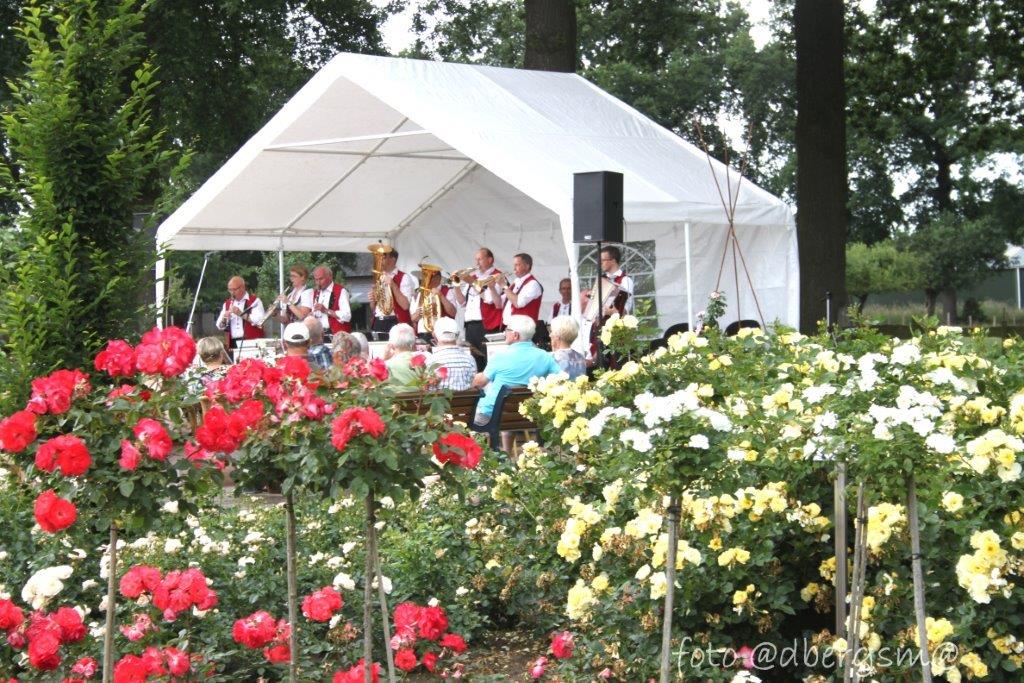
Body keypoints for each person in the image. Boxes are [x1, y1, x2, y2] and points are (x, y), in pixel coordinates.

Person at [472, 315, 560, 426]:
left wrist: (476, 376)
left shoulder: (500, 356)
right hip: (530, 416)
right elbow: (560, 379)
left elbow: (479, 383)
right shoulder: (545, 356)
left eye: (507, 329)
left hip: (493, 415)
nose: (505, 332)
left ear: (515, 335)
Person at [453, 247, 505, 372]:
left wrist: (472, 282)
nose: (477, 263)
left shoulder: (497, 276)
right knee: (474, 361)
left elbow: (489, 299)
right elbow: (461, 302)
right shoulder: (474, 276)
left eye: (480, 259)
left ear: (490, 260)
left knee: (488, 361)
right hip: (470, 325)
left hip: (487, 325)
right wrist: (456, 285)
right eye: (476, 260)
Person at [367, 249, 414, 341]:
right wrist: (373, 300)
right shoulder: (379, 277)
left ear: (393, 259)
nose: (379, 260)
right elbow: (374, 308)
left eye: (383, 257)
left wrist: (393, 285)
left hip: (395, 322)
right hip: (378, 321)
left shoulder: (404, 277)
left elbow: (405, 305)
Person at [216, 276, 266, 350]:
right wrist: (225, 318)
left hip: (252, 342)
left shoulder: (255, 301)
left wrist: (241, 314)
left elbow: (260, 321)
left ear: (243, 287)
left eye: (234, 289)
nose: (232, 293)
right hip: (233, 343)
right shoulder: (227, 303)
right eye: (230, 290)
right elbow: (220, 326)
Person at [410, 268, 458, 344]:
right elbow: (412, 319)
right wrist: (417, 314)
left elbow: (453, 313)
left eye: (429, 277)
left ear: (438, 278)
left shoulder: (447, 291)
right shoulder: (419, 294)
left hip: (441, 334)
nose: (425, 280)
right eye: (425, 277)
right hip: (423, 333)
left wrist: (441, 296)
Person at [429, 317, 475, 391]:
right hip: (466, 398)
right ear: (458, 335)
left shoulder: (430, 360)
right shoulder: (469, 359)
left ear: (434, 335)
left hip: (440, 398)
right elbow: (473, 385)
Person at [501, 253, 543, 324]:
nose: (514, 268)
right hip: (510, 326)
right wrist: (491, 288)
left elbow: (518, 303)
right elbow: (500, 303)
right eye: (514, 265)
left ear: (527, 266)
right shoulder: (516, 282)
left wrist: (503, 285)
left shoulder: (532, 284)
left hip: (523, 327)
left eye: (517, 265)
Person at [310, 266, 352, 339]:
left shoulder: (341, 291)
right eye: (316, 280)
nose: (318, 283)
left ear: (330, 277)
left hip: (338, 336)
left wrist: (326, 310)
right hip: (320, 335)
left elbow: (347, 316)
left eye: (321, 279)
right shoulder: (316, 292)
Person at [383, 323, 429, 388]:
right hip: (419, 394)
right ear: (413, 344)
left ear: (391, 346)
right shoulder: (424, 362)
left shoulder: (387, 365)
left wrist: (384, 360)